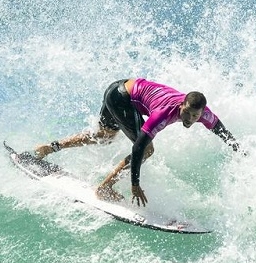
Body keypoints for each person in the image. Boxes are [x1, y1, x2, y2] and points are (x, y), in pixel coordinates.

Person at [33, 78, 242, 207]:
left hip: (121, 87)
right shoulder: (162, 114)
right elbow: (139, 147)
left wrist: (237, 147)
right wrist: (135, 185)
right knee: (148, 149)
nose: (189, 119)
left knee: (105, 136)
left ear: (201, 113)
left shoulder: (203, 113)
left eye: (194, 116)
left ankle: (49, 148)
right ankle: (105, 188)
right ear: (181, 105)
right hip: (120, 97)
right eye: (186, 113)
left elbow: (218, 128)